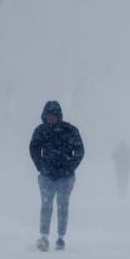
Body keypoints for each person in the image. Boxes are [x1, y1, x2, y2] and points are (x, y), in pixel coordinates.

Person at [29, 100, 84, 251]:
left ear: (59, 115)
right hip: (46, 176)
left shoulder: (70, 130)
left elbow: (80, 151)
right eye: (48, 115)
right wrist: (40, 166)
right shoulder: (40, 131)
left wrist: (69, 167)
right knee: (46, 205)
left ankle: (61, 238)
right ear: (44, 116)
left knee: (63, 206)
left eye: (54, 115)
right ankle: (44, 237)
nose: (51, 118)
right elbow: (33, 149)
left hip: (66, 178)